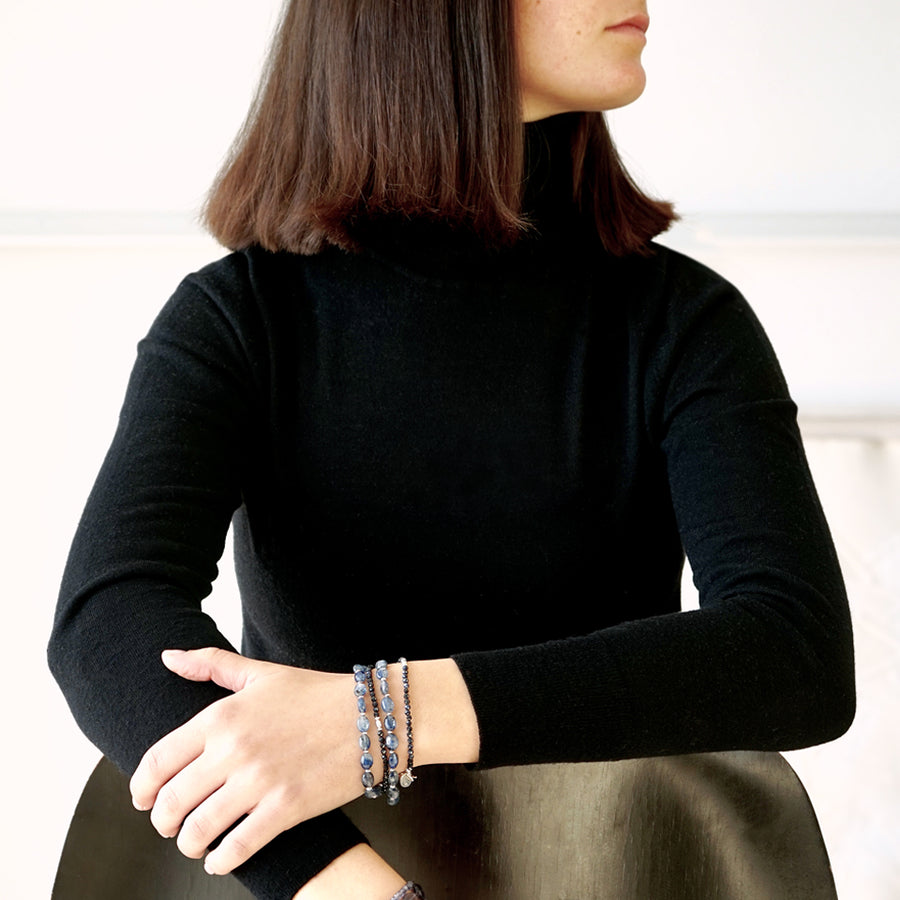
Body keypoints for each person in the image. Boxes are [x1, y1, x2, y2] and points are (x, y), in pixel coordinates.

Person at [49, 1, 856, 898]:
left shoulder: (683, 322)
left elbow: (795, 651)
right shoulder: (241, 319)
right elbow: (109, 621)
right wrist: (350, 888)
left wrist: (381, 719)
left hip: (622, 869)